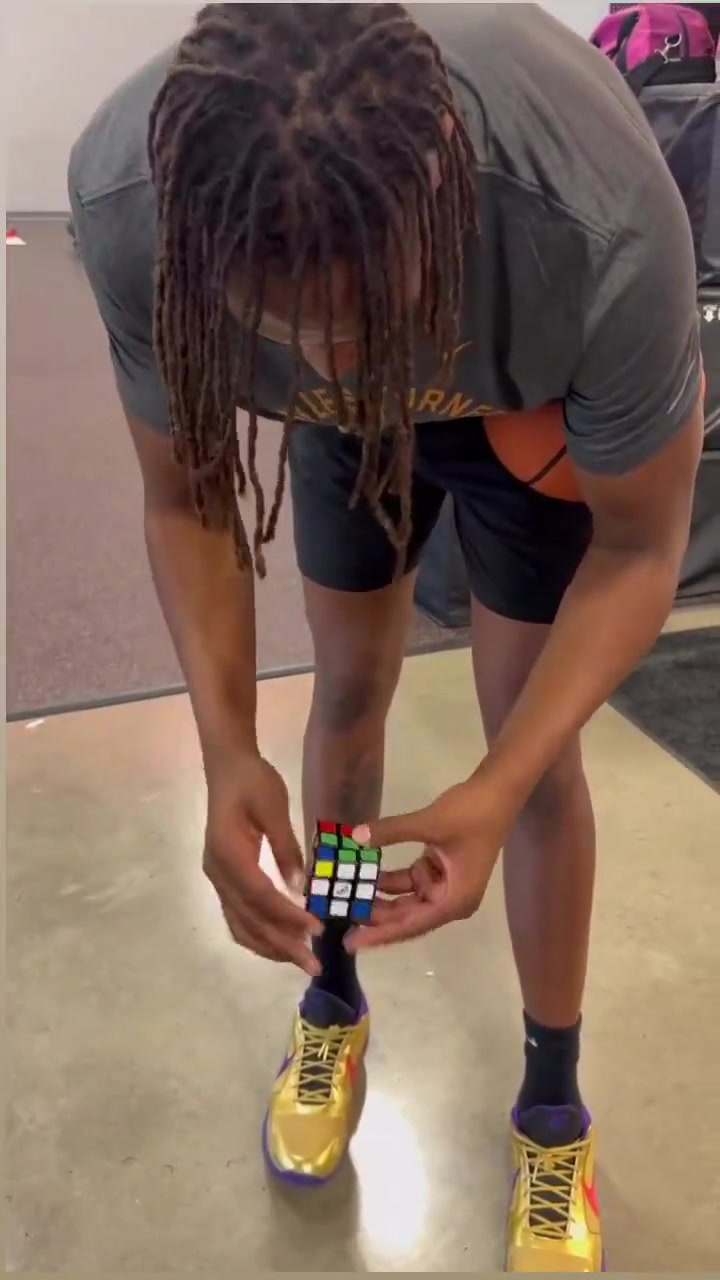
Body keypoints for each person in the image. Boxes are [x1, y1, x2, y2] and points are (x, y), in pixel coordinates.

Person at [68, 3, 703, 1270]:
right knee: (346, 703)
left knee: (537, 766)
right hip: (345, 441)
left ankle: (553, 1102)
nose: (338, 355)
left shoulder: (600, 217)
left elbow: (642, 549)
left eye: (365, 321)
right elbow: (187, 496)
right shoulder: (137, 203)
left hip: (531, 424)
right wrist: (224, 746)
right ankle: (335, 985)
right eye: (292, 332)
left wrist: (493, 785)